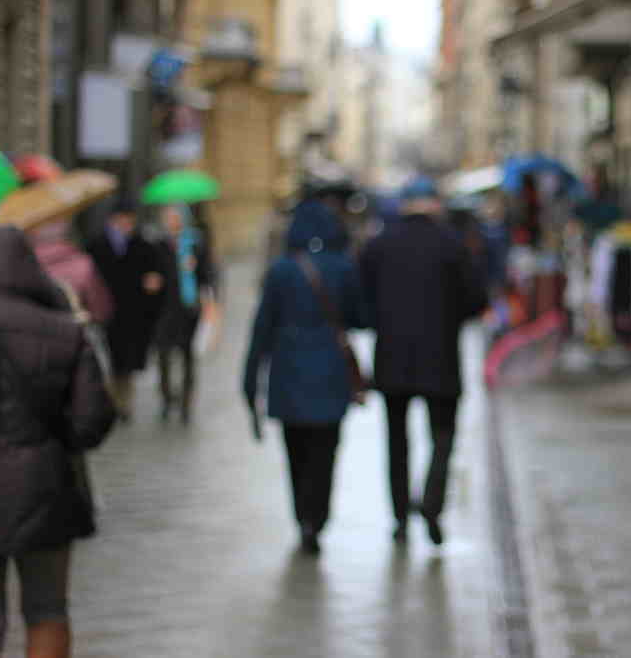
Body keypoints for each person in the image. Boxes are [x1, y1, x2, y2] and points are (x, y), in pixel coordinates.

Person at [0, 227, 116, 658]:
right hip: (44, 490)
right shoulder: (65, 331)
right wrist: (54, 439)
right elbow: (93, 421)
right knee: (47, 610)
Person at [360, 177, 488, 545]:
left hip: (392, 358)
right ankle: (432, 504)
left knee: (396, 440)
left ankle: (399, 516)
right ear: (435, 204)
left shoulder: (379, 244)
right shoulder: (452, 244)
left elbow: (362, 301)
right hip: (441, 358)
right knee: (443, 436)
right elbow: (476, 300)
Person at [243, 198, 365, 555]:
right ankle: (319, 516)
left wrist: (250, 381)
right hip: (330, 374)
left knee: (296, 453)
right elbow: (359, 316)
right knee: (326, 452)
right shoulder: (343, 267)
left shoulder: (281, 270)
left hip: (288, 375)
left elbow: (261, 329)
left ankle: (303, 519)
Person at [86, 198, 166, 419]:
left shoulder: (143, 245)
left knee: (127, 362)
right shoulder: (97, 245)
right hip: (105, 312)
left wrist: (153, 284)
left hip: (132, 314)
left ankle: (123, 403)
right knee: (109, 360)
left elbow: (156, 275)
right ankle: (112, 401)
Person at [154, 204, 217, 424]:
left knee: (188, 356)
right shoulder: (159, 244)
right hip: (164, 308)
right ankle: (166, 397)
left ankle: (186, 402)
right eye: (169, 218)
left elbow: (209, 273)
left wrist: (196, 269)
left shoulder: (196, 242)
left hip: (189, 308)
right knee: (163, 355)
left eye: (176, 217)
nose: (172, 222)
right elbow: (153, 272)